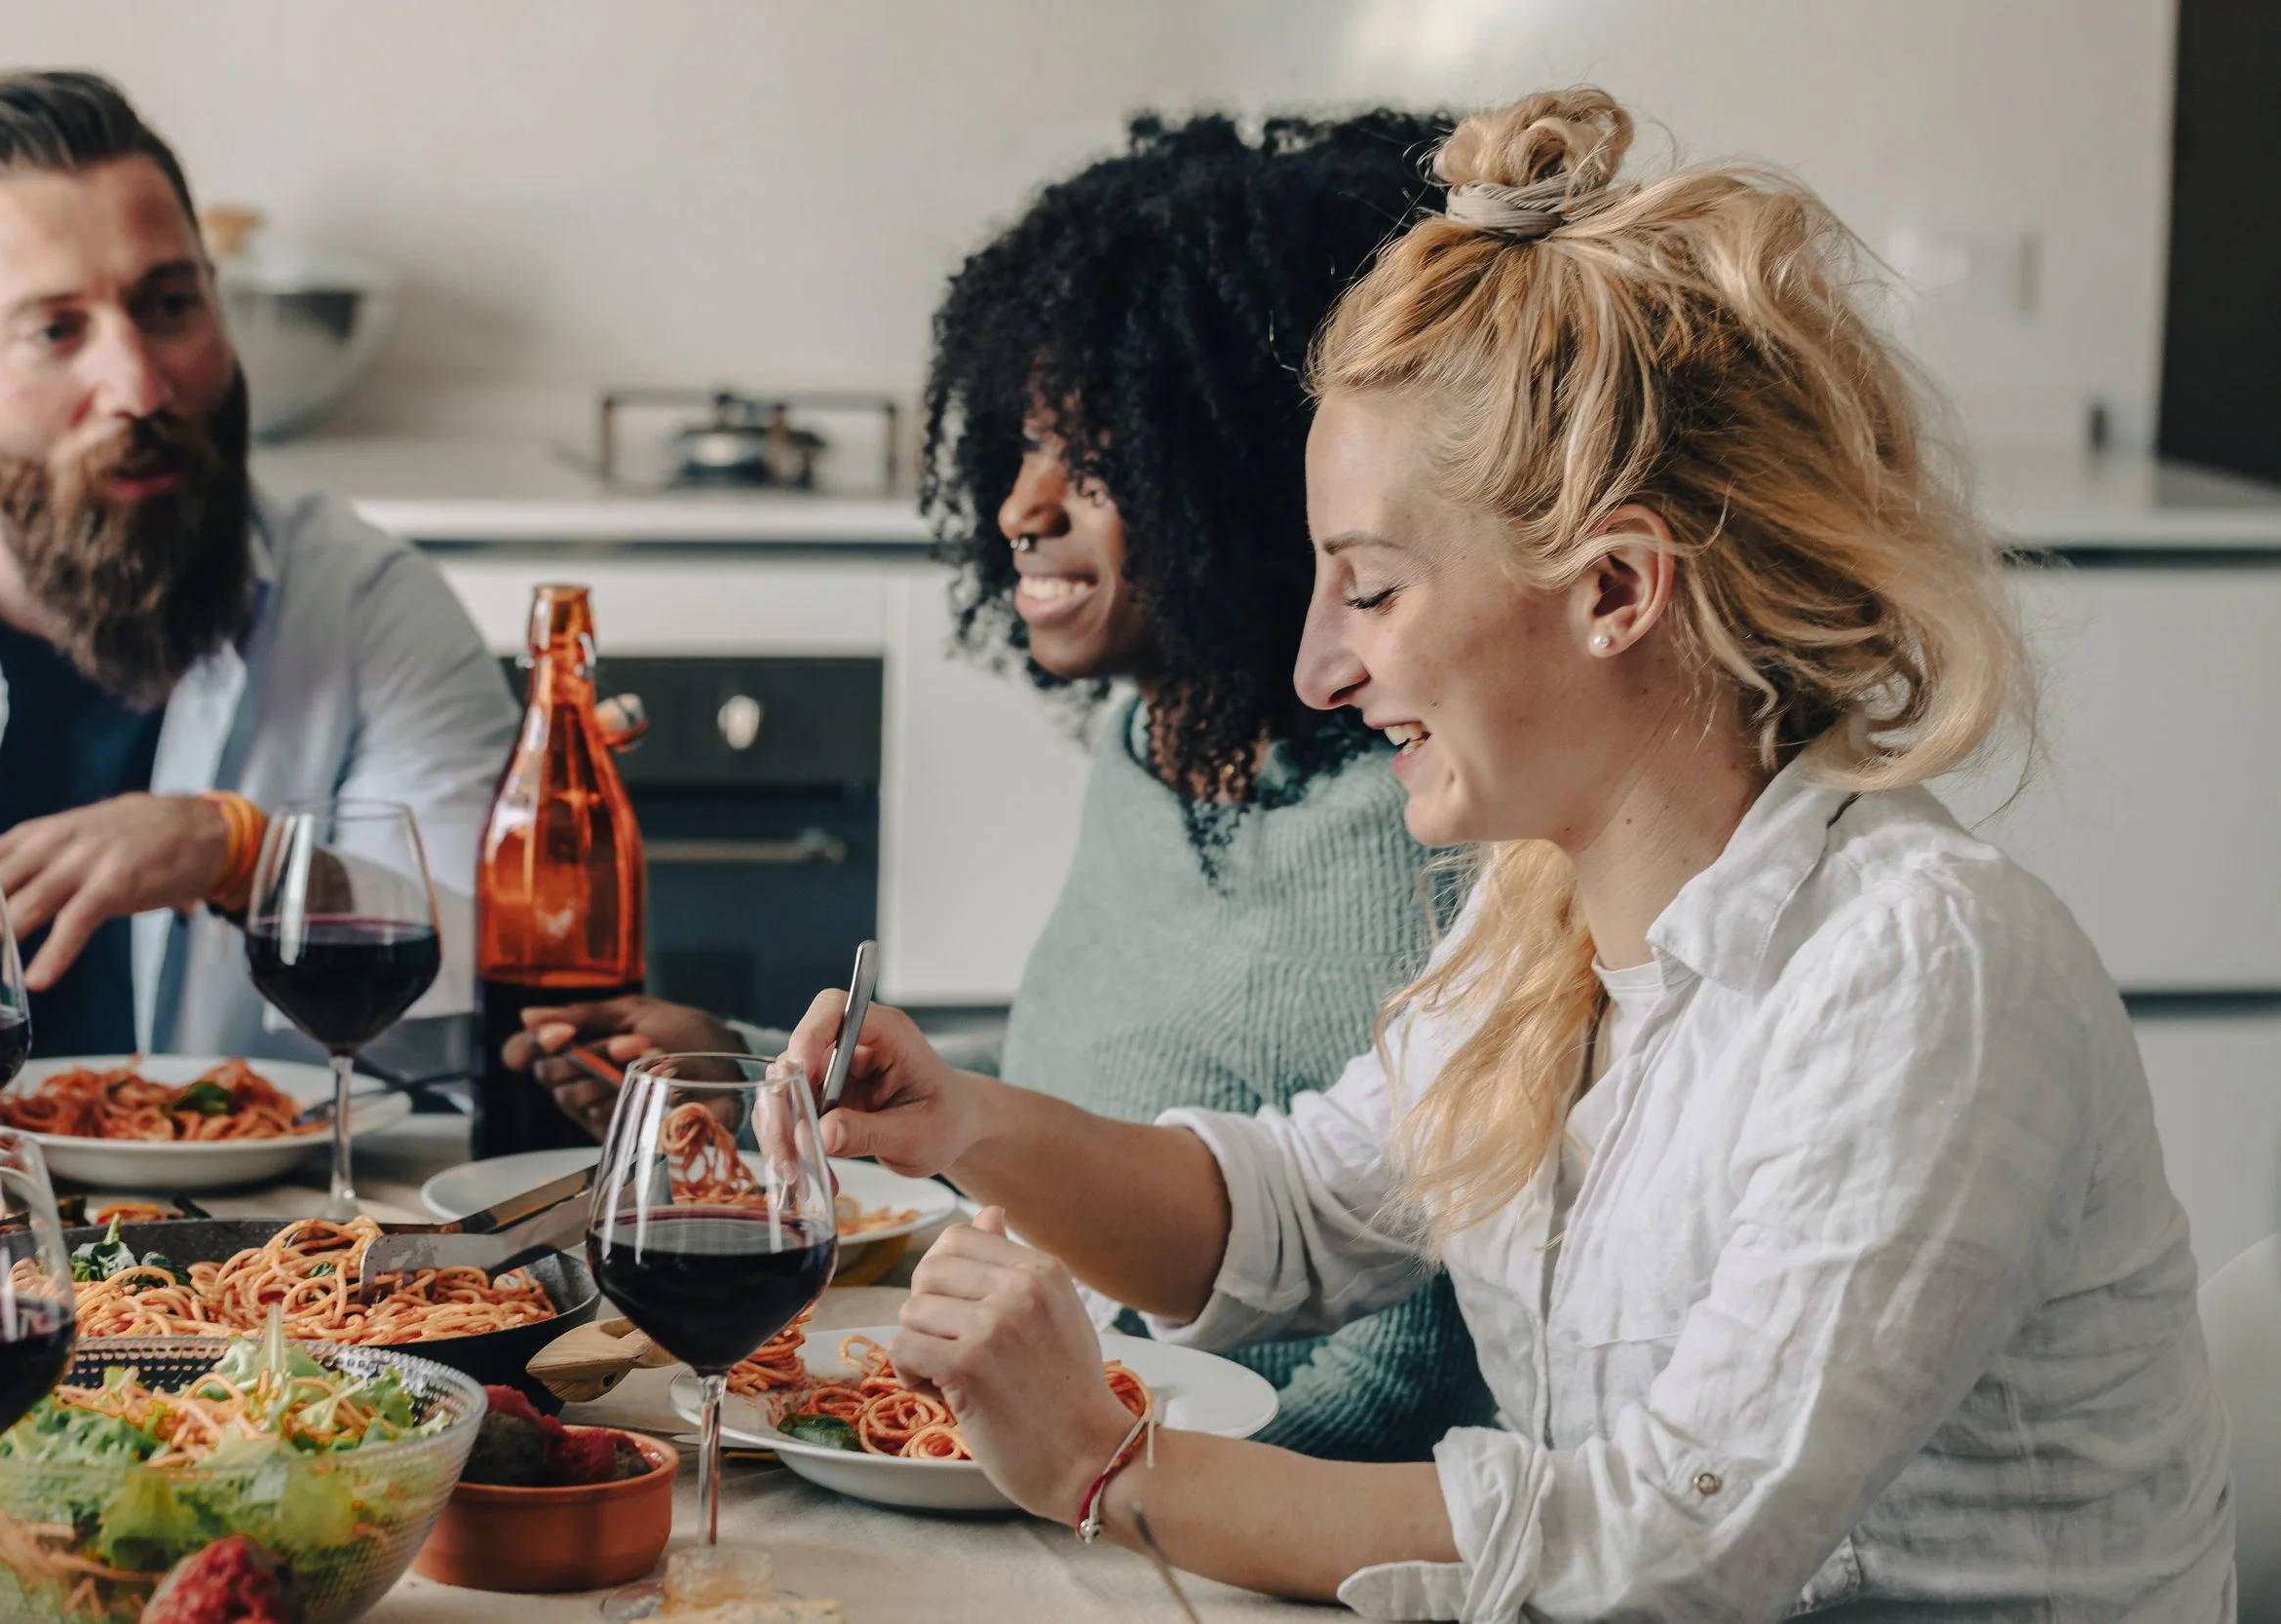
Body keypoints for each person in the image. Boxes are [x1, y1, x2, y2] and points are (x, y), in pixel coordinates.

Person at [782, 88, 2234, 1619]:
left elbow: (1670, 1543)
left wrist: (1108, 1460)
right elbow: (1287, 1211)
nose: (1317, 669)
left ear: (1615, 587)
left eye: (1375, 589)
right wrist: (963, 1119)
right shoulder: (1537, 917)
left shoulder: (1923, 973)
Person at [506, 112, 1491, 1462]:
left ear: (1242, 478)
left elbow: (1426, 1307)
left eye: (1096, 463)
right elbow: (1059, 1120)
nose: (1021, 505)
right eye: (1025, 445)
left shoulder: (1416, 820)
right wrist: (754, 1080)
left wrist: (1174, 1493)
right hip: (1039, 1428)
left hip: (1216, 1492)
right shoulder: (1149, 752)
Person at [0, 70, 514, 1059]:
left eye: (167, 304)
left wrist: (242, 855)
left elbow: (514, 961)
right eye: (55, 330)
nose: (140, 384)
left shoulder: (371, 606)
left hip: (277, 1216)